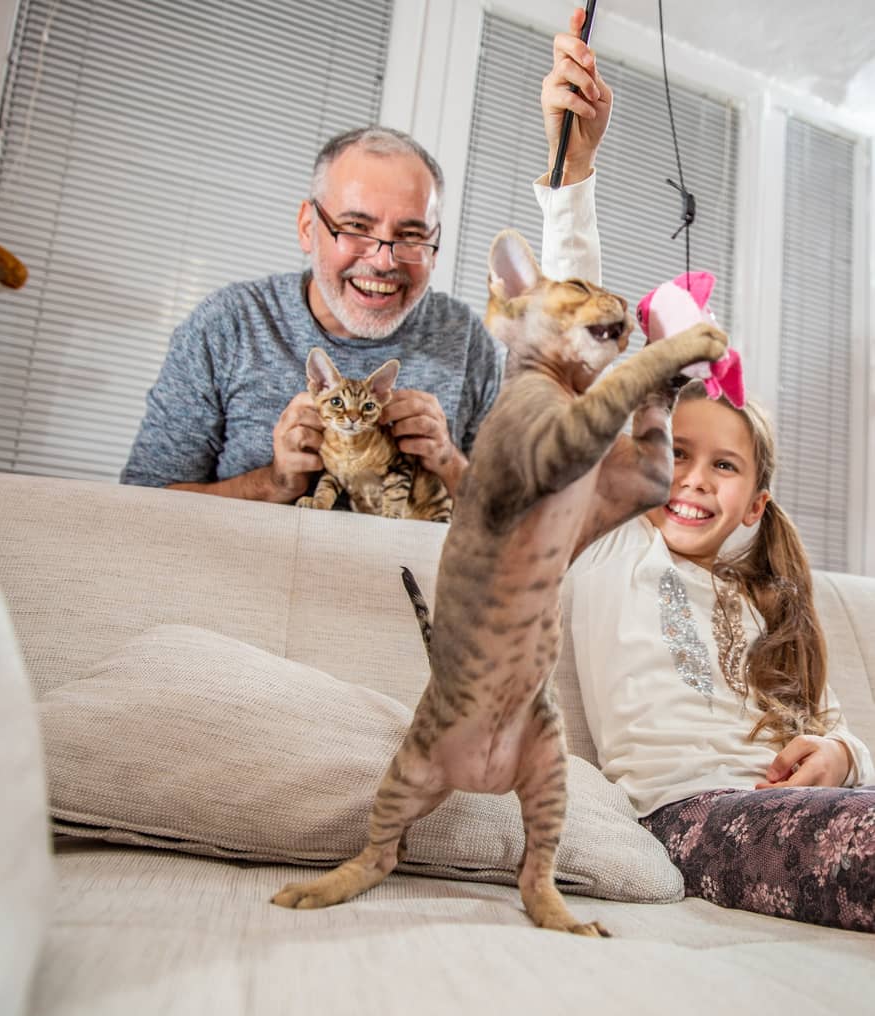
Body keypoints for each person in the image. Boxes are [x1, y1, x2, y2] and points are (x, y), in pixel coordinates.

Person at [540, 10, 875, 932]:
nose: (689, 478)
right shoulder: (611, 547)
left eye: (721, 466)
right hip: (689, 818)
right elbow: (573, 335)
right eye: (670, 452)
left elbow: (838, 722)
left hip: (816, 812)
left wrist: (840, 756)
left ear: (753, 502)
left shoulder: (777, 599)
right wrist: (574, 168)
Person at [121, 127, 505, 504]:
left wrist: (449, 463)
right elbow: (141, 502)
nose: (383, 261)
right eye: (356, 226)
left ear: (434, 249)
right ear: (308, 227)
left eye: (411, 235)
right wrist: (271, 484)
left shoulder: (469, 342)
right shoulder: (228, 325)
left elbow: (522, 529)